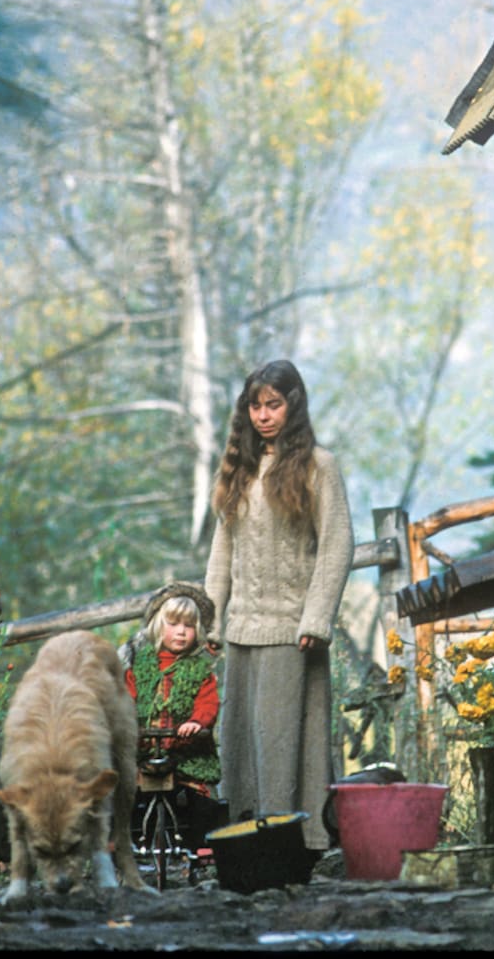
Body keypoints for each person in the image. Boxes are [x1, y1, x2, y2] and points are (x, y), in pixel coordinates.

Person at [204, 359, 354, 862]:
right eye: (256, 405)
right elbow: (221, 552)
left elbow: (337, 544)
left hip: (293, 631)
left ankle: (294, 843)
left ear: (293, 405)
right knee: (243, 744)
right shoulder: (238, 469)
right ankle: (247, 842)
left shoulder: (318, 465)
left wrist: (316, 618)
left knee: (285, 743)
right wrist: (211, 617)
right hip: (243, 629)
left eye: (274, 404)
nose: (264, 415)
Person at [121, 581, 221, 801]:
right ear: (158, 626)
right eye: (174, 624)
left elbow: (208, 703)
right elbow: (126, 700)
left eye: (189, 626)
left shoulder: (200, 670)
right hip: (143, 754)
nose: (181, 632)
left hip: (185, 757)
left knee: (198, 805)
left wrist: (197, 722)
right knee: (126, 803)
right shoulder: (139, 666)